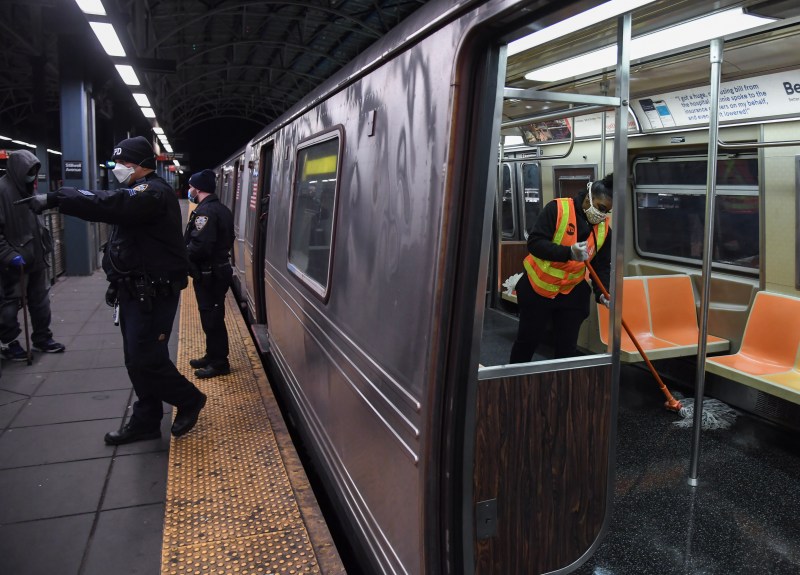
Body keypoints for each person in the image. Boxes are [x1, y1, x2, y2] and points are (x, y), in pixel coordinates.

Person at [23, 136, 206, 444]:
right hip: (135, 289)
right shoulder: (137, 192)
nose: (118, 168)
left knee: (144, 357)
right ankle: (146, 419)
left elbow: (108, 204)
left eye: (123, 163)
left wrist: (58, 198)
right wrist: (116, 281)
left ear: (140, 165)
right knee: (135, 358)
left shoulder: (152, 193)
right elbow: (128, 243)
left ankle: (188, 399)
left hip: (155, 293)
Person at [509, 173, 614, 363]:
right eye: (600, 208)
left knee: (567, 348)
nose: (601, 214)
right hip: (537, 289)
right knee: (527, 342)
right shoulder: (557, 209)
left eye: (606, 211)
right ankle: (513, 385)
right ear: (589, 197)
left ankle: (561, 389)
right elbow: (534, 243)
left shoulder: (603, 229)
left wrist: (603, 293)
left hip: (571, 293)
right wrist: (569, 253)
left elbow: (601, 266)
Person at [0, 149, 65, 360]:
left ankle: (42, 338)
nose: (33, 175)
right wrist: (9, 255)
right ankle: (9, 343)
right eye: (30, 171)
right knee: (9, 306)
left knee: (41, 303)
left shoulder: (28, 189)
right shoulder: (2, 191)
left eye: (35, 171)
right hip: (13, 263)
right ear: (18, 169)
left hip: (36, 258)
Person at [184, 169, 234, 379]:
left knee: (212, 318)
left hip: (210, 274)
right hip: (216, 271)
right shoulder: (219, 208)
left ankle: (220, 362)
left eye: (191, 186)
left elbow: (200, 246)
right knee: (210, 316)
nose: (189, 190)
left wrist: (180, 254)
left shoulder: (206, 212)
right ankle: (211, 355)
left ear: (198, 188)